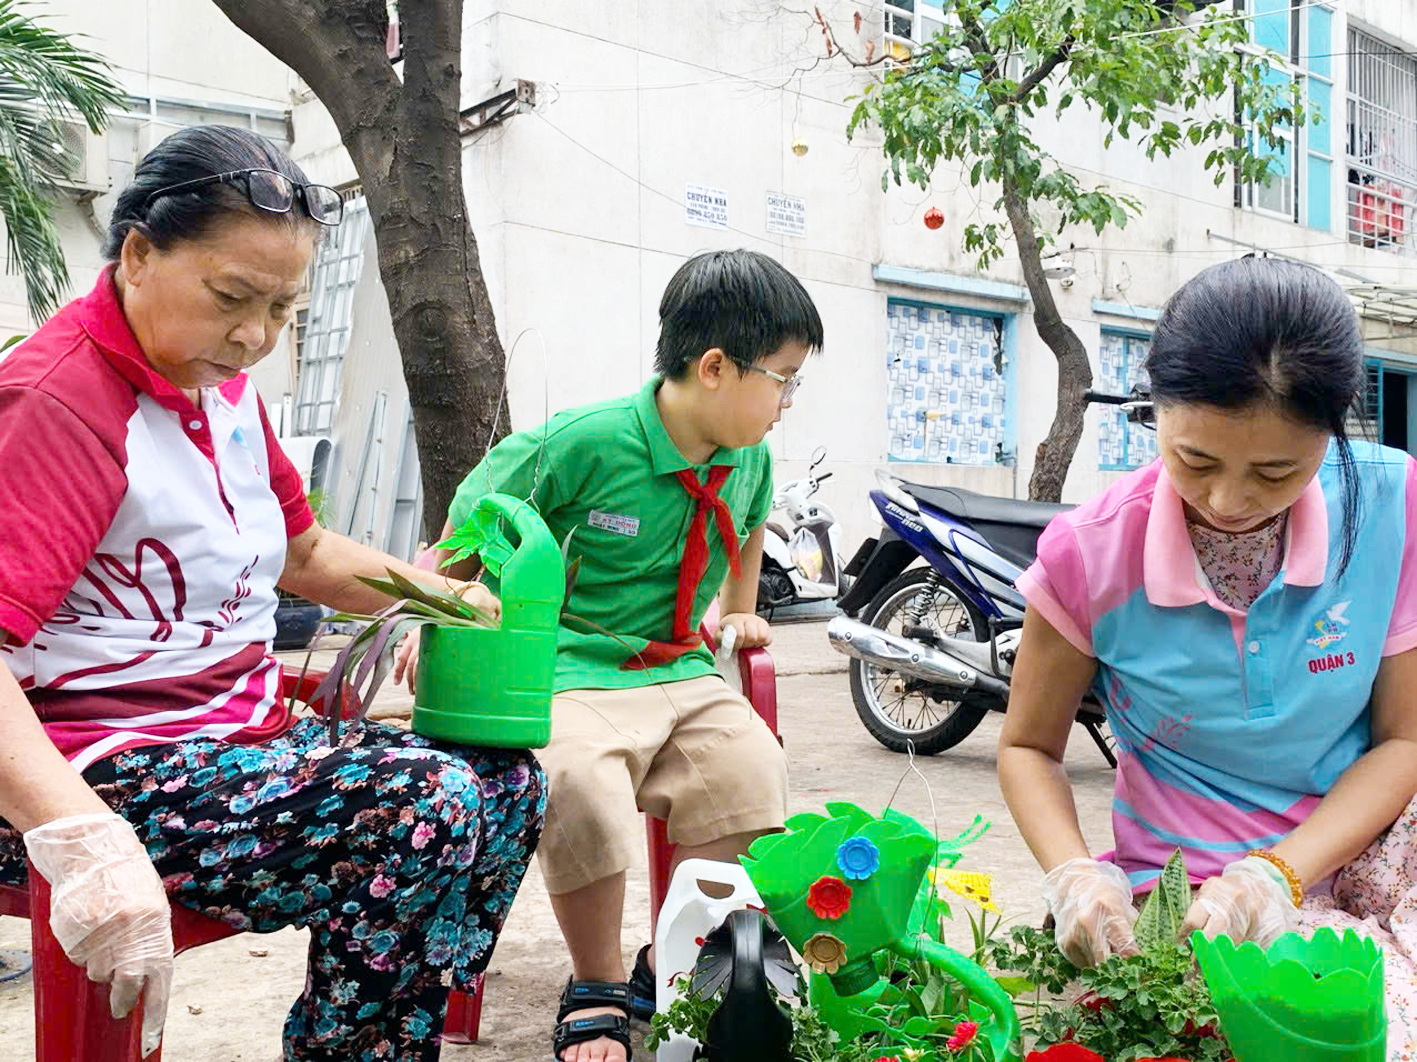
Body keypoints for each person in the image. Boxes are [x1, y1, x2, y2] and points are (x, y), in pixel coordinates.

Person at [0, 124, 545, 1062]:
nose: (253, 337)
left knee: (508, 784)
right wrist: (78, 835)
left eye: (284, 310)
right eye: (230, 298)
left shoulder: (220, 388)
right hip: (95, 768)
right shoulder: (58, 404)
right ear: (137, 255)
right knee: (423, 804)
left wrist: (441, 597)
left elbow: (301, 552)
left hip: (228, 741)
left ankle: (377, 1038)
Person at [398, 248, 823, 1062]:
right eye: (782, 378)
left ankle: (665, 959)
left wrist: (738, 613)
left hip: (679, 670)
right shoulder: (581, 443)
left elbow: (752, 521)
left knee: (750, 768)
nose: (786, 401)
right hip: (568, 667)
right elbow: (468, 518)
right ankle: (593, 984)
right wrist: (437, 618)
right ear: (712, 368)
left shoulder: (750, 457)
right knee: (577, 780)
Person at [998, 256, 1417, 1055]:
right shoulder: (1087, 554)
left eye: (1276, 471)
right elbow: (1026, 747)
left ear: (1330, 436)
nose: (1228, 502)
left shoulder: (1390, 505)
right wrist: (1074, 877)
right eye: (1192, 461)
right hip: (1190, 896)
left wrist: (1278, 876)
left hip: (1373, 867)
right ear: (1153, 411)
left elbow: (1404, 737)